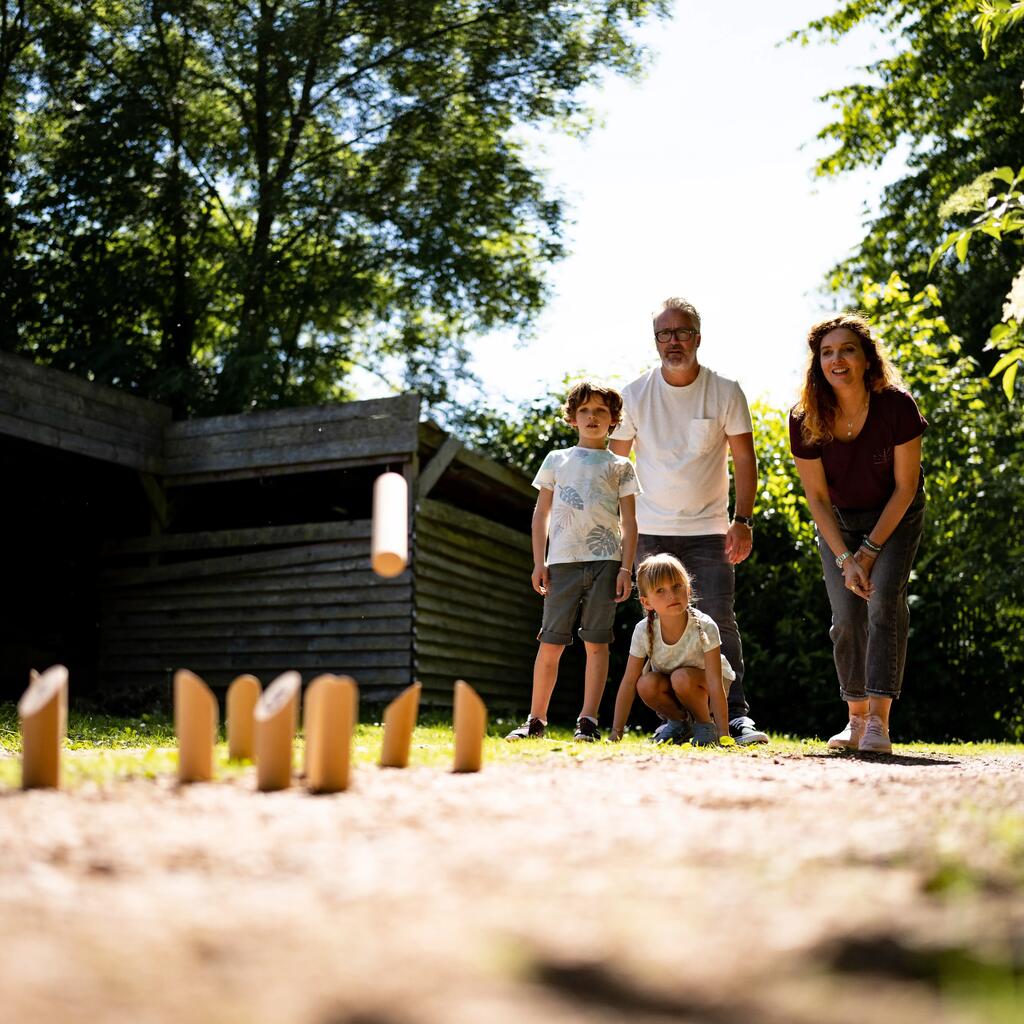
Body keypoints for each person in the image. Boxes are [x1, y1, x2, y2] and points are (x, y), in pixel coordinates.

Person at [609, 297, 767, 745]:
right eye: (664, 334)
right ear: (655, 340)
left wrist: (743, 519)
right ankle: (678, 718)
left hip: (710, 529)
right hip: (650, 531)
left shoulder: (724, 390)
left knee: (718, 617)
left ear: (697, 337)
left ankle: (735, 717)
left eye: (681, 332)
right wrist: (620, 532)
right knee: (655, 624)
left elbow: (744, 459)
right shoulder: (634, 395)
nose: (672, 341)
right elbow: (616, 469)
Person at [789, 313, 927, 754]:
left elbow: (906, 487)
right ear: (817, 364)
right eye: (827, 352)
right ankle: (855, 717)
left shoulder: (897, 406)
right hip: (840, 525)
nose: (837, 359)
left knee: (885, 600)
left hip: (896, 516)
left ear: (867, 358)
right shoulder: (804, 417)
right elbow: (817, 499)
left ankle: (879, 724)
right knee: (847, 617)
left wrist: (869, 552)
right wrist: (848, 558)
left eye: (847, 349)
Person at [506, 380, 640, 743]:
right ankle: (535, 720)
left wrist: (626, 569)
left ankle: (589, 721)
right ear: (572, 417)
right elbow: (541, 515)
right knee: (550, 644)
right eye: (584, 410)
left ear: (613, 420)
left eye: (600, 411)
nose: (592, 417)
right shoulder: (556, 460)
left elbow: (629, 523)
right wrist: (539, 562)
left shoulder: (622, 466)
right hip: (561, 565)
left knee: (597, 644)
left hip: (606, 565)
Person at [609, 554, 733, 747]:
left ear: (688, 589)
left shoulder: (705, 626)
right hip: (676, 688)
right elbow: (629, 681)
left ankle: (705, 725)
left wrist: (724, 735)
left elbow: (716, 683)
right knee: (645, 683)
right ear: (646, 602)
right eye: (660, 590)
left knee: (681, 677)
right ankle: (680, 724)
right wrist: (616, 734)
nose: (671, 595)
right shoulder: (643, 630)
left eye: (677, 586)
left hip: (707, 688)